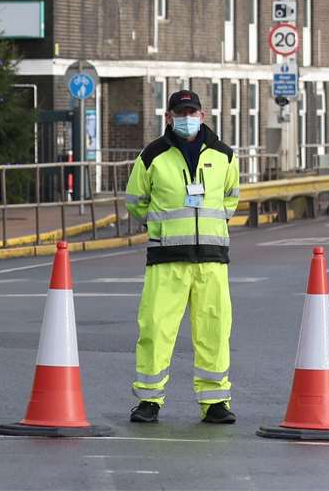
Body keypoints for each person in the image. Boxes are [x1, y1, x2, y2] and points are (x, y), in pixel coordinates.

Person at [123, 89, 240, 424]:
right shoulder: (152, 156)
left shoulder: (224, 156)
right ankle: (149, 401)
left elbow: (231, 197)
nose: (187, 118)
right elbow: (136, 200)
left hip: (212, 259)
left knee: (214, 329)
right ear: (169, 118)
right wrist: (161, 228)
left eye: (192, 112)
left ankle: (215, 401)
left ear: (202, 116)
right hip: (167, 257)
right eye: (180, 113)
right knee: (156, 328)